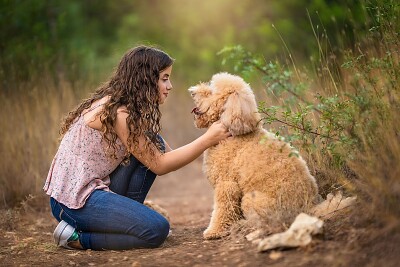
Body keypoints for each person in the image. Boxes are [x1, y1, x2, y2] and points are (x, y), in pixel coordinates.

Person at [43, 45, 230, 251]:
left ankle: (130, 222)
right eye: (164, 78)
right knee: (156, 230)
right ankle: (76, 238)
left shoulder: (122, 106)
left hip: (93, 190)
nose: (170, 85)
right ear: (146, 80)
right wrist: (208, 139)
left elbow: (165, 153)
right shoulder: (119, 114)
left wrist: (214, 139)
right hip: (73, 202)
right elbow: (160, 164)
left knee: (155, 142)